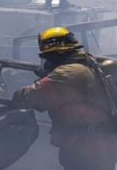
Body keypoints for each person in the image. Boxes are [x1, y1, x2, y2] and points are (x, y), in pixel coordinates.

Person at [12, 27, 117, 170]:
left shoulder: (68, 73)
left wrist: (19, 93)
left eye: (47, 57)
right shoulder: (85, 65)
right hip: (96, 146)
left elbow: (33, 97)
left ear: (56, 54)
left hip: (86, 147)